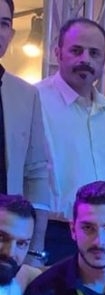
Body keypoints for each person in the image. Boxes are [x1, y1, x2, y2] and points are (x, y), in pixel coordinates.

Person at [36, 18, 105, 265]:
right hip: (51, 233)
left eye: (94, 53)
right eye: (76, 50)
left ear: (104, 59)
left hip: (100, 236)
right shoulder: (35, 99)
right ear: (57, 53)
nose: (85, 59)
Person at [0, 0, 53, 269]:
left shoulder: (25, 94)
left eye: (3, 24)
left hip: (7, 244)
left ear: (10, 33)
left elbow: (36, 173)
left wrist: (34, 251)